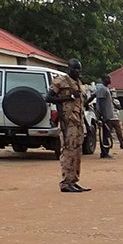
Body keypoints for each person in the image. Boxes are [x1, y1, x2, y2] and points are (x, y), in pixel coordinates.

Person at [46, 59, 91, 193]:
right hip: (67, 121)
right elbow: (48, 98)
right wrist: (68, 97)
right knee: (68, 151)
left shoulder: (79, 83)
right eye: (74, 69)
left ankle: (74, 180)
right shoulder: (61, 81)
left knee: (77, 152)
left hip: (78, 121)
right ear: (69, 68)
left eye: (79, 69)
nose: (77, 72)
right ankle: (66, 182)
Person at [88, 75, 123, 158]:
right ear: (103, 80)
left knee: (107, 134)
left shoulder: (104, 89)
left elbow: (92, 96)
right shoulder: (102, 89)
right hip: (105, 117)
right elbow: (101, 103)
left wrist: (86, 103)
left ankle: (105, 152)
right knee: (105, 135)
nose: (109, 80)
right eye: (107, 78)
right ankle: (104, 153)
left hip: (107, 116)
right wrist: (102, 116)